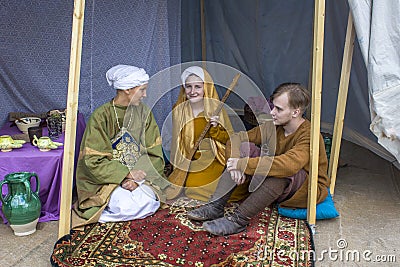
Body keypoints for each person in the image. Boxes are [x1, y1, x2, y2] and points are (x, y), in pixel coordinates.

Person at [187, 82, 330, 236]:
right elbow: (237, 138)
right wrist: (235, 162)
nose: (272, 112)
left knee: (282, 171)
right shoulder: (274, 126)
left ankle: (238, 220)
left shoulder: (309, 135)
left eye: (279, 109)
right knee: (245, 148)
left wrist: (243, 164)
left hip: (304, 189)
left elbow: (289, 165)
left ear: (295, 112)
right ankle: (216, 205)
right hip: (276, 179)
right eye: (273, 106)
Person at [72, 64, 169, 228]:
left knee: (146, 199)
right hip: (106, 181)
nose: (145, 95)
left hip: (140, 177)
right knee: (126, 206)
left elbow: (153, 154)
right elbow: (93, 161)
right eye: (142, 90)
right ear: (128, 90)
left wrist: (137, 181)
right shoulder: (101, 116)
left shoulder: (144, 113)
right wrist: (125, 176)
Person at [169, 66, 249, 202]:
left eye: (198, 87)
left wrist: (216, 129)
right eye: (188, 87)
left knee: (236, 187)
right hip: (193, 161)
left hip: (216, 158)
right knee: (193, 189)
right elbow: (178, 143)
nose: (193, 91)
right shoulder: (178, 111)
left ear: (206, 88)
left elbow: (230, 139)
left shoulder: (216, 110)